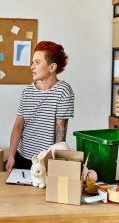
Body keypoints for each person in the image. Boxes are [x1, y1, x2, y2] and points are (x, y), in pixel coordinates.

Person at [5, 41, 74, 171]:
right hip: (23, 156)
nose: (32, 66)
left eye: (37, 62)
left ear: (52, 67)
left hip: (46, 160)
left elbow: (60, 128)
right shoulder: (27, 91)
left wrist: (55, 161)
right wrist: (11, 156)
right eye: (32, 62)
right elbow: (19, 125)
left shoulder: (64, 91)